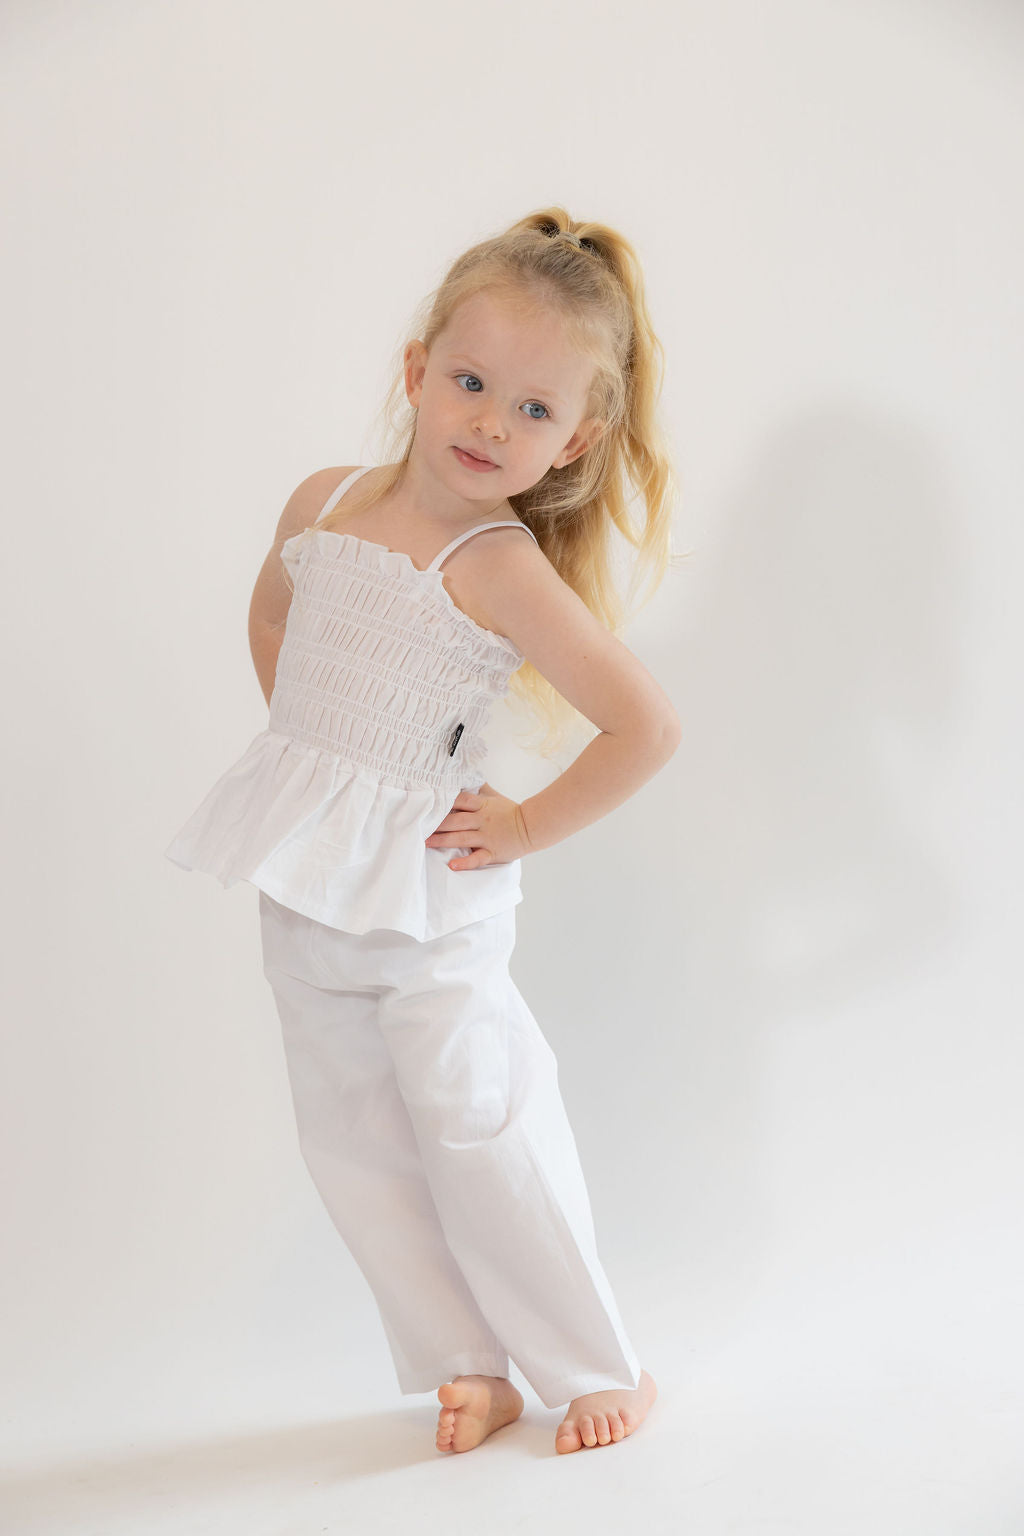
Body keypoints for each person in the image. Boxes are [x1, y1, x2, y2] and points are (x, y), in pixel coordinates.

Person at [164, 206, 682, 1456]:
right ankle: (469, 1366)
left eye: (533, 409)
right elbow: (274, 619)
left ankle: (597, 1364)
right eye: (470, 382)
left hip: (433, 903)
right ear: (416, 370)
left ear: (576, 438)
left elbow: (646, 725)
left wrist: (525, 823)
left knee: (478, 1126)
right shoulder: (325, 501)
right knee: (354, 1145)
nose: (490, 424)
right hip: (307, 887)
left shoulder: (499, 564)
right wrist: (317, 768)